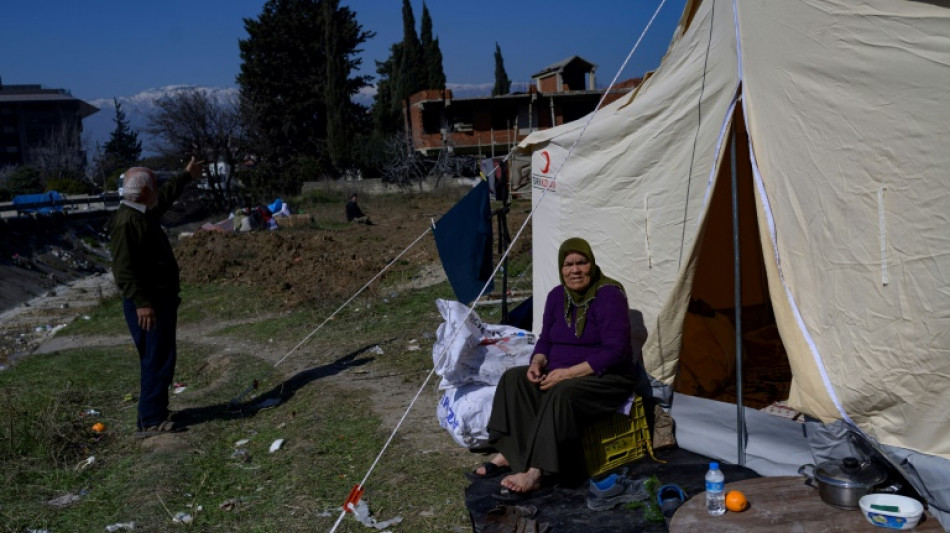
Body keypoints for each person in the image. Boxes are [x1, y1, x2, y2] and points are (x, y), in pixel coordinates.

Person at [475, 237, 638, 496]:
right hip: (562, 373)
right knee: (514, 379)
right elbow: (546, 340)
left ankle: (537, 470)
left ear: (592, 264)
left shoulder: (608, 295)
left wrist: (568, 373)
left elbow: (616, 351)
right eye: (568, 264)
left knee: (562, 393)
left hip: (606, 378)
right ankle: (511, 453)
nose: (575, 270)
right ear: (561, 269)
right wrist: (537, 362)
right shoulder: (556, 296)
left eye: (581, 263)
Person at [108, 157, 204, 437]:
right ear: (145, 192)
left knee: (159, 355)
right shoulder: (126, 222)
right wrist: (143, 304)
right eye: (155, 188)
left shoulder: (140, 212)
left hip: (154, 300)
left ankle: (156, 411)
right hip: (147, 303)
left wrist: (185, 175)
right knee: (156, 357)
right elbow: (124, 271)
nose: (159, 193)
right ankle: (150, 420)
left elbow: (165, 200)